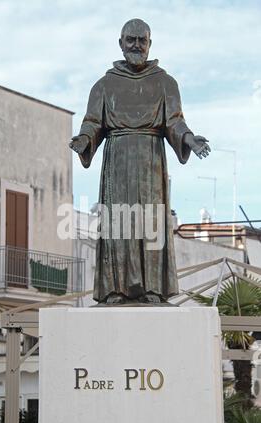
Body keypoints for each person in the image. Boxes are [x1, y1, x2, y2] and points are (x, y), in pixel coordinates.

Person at [70, 18, 210, 305]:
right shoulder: (104, 85)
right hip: (117, 161)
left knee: (150, 224)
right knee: (117, 225)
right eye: (130, 40)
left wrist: (190, 140)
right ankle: (115, 289)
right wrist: (83, 140)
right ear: (120, 43)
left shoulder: (165, 83)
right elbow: (92, 123)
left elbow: (176, 122)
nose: (136, 45)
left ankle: (153, 289)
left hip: (150, 160)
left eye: (141, 40)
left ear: (149, 44)